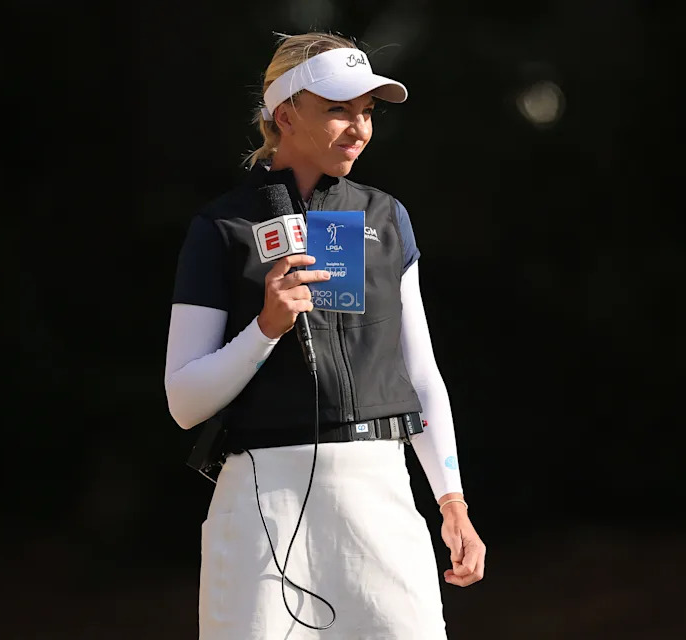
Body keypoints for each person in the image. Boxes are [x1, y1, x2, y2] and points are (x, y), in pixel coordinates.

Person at [164, 31, 486, 639]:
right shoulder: (221, 227)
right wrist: (265, 328)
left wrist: (452, 502)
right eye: (338, 109)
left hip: (380, 495)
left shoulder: (387, 217)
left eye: (367, 112)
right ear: (284, 114)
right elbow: (185, 402)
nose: (359, 128)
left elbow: (420, 375)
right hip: (262, 504)